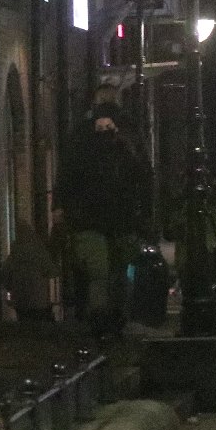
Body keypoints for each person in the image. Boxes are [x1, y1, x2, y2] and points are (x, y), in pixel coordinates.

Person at [54, 106, 152, 339]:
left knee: (109, 273)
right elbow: (142, 179)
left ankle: (108, 318)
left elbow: (67, 181)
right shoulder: (118, 151)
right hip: (106, 222)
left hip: (105, 222)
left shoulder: (91, 150)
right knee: (105, 272)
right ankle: (107, 318)